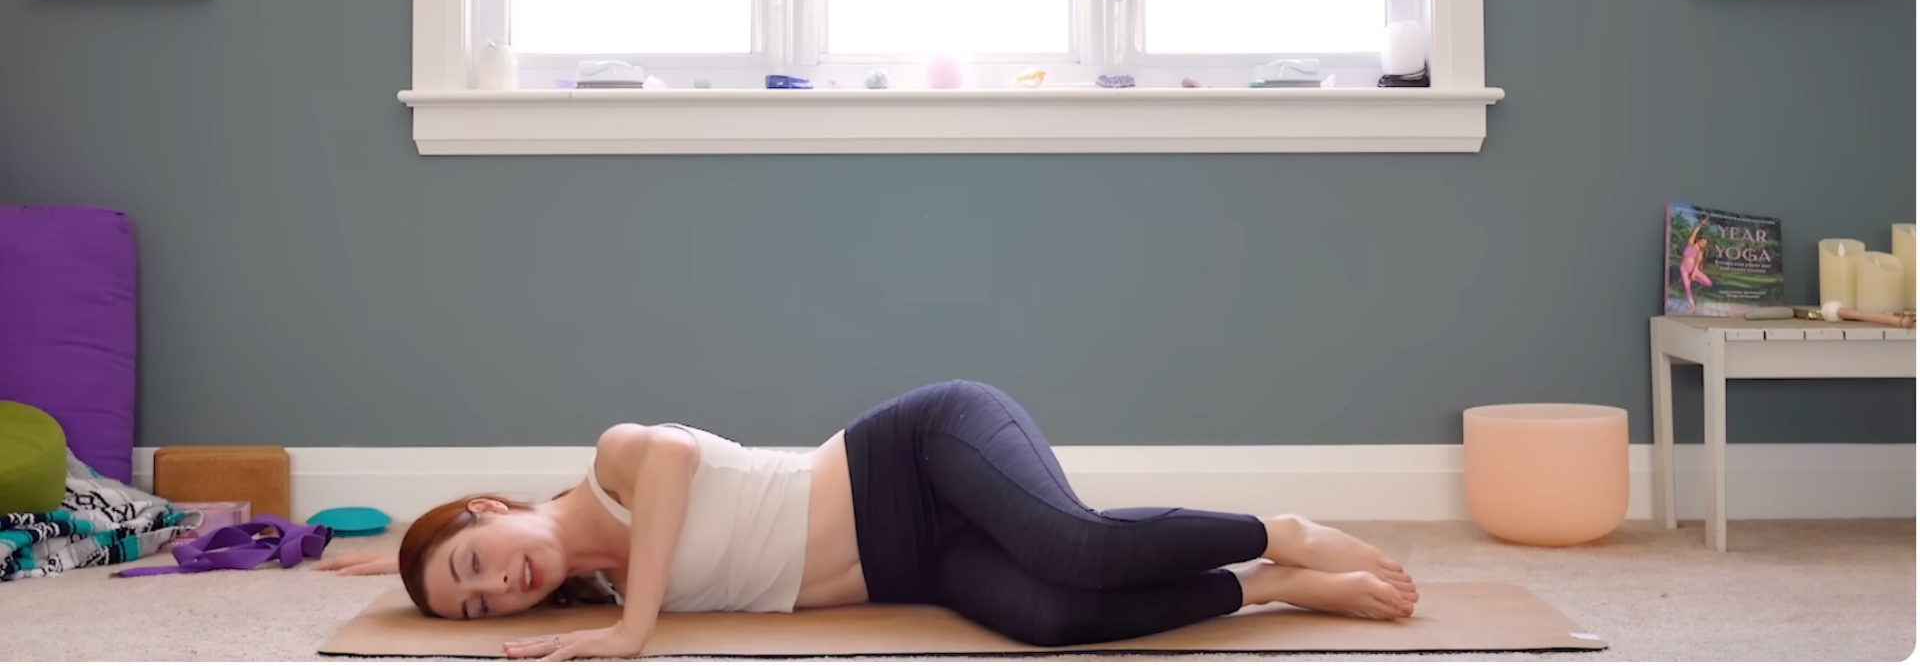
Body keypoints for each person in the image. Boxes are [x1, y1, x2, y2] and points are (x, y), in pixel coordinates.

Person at [319, 380, 1417, 660]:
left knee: (1076, 542)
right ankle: (1264, 588)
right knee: (1053, 621)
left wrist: (635, 631)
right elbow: (454, 573)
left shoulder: (614, 466)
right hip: (915, 565)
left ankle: (1275, 530)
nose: (494, 585)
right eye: (474, 606)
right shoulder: (597, 590)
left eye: (475, 558)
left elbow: (676, 459)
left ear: (492, 507)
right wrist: (392, 572)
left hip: (916, 456)